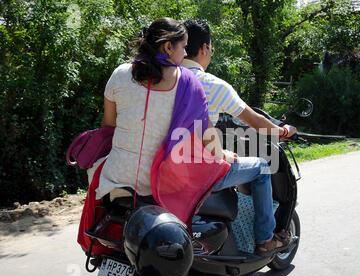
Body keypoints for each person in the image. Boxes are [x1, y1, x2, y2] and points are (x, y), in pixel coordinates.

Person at [78, 17, 232, 256]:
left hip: (112, 181)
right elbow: (208, 139)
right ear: (169, 47)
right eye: (183, 46)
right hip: (152, 188)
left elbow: (108, 128)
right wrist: (223, 158)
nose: (185, 53)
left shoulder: (119, 74)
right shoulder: (187, 82)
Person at [182, 19, 293, 254]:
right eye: (211, 49)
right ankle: (264, 239)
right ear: (203, 49)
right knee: (262, 167)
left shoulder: (164, 79)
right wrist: (283, 131)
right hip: (201, 173)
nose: (210, 53)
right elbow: (255, 121)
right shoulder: (212, 84)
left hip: (169, 167)